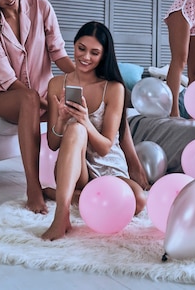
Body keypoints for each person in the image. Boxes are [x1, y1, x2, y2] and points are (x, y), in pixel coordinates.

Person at [0, 0, 148, 216]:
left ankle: (133, 164)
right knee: (29, 98)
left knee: (110, 96)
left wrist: (88, 77)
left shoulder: (40, 7)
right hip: (4, 97)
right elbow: (8, 80)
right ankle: (33, 188)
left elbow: (58, 54)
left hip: (43, 96)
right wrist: (48, 102)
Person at [41, 21, 146, 241]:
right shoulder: (56, 84)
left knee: (138, 200)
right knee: (75, 130)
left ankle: (65, 195)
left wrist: (85, 121)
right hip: (75, 167)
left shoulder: (114, 88)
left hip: (108, 166)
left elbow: (106, 147)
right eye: (81, 48)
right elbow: (52, 143)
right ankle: (62, 215)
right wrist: (61, 120)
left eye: (94, 52)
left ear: (104, 55)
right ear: (75, 45)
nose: (85, 57)